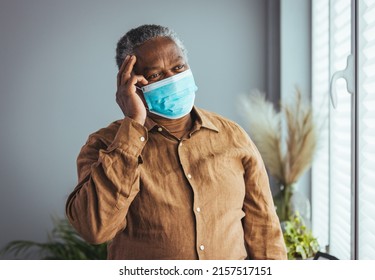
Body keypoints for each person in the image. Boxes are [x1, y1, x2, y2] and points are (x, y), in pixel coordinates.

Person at [66, 24, 287, 260]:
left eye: (178, 67)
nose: (172, 79)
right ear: (131, 83)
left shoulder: (233, 136)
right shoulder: (104, 145)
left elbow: (264, 230)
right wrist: (133, 123)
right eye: (155, 75)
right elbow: (95, 229)